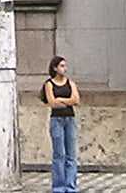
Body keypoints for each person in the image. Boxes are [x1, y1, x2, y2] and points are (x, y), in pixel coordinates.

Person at [42, 54, 79, 193]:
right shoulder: (49, 84)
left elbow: (76, 100)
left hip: (70, 119)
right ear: (55, 68)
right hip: (56, 120)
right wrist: (66, 101)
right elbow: (52, 102)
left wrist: (61, 100)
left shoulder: (70, 83)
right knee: (59, 154)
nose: (65, 69)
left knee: (71, 154)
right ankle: (58, 187)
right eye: (62, 66)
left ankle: (71, 186)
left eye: (65, 66)